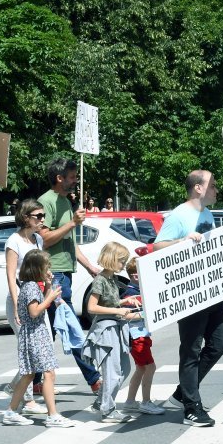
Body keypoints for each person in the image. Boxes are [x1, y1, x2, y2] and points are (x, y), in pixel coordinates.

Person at [154, 169, 223, 427]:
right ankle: (192, 407)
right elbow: (157, 246)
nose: (216, 189)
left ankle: (183, 392)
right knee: (190, 350)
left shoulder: (207, 213)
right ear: (198, 188)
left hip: (212, 292)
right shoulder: (179, 215)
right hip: (190, 294)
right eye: (212, 185)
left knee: (218, 345)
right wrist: (182, 240)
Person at [37, 158, 102, 395]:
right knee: (70, 325)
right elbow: (45, 238)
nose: (76, 181)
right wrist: (73, 223)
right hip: (53, 273)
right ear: (59, 178)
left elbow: (68, 241)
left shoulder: (65, 201)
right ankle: (94, 378)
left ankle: (32, 378)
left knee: (51, 329)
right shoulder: (47, 202)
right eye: (73, 177)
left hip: (65, 272)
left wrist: (89, 267)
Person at [1, 250, 76, 428]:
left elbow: (37, 304)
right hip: (35, 334)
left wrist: (48, 286)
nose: (49, 269)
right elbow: (34, 311)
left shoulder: (30, 285)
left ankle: (11, 411)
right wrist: (49, 297)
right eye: (46, 266)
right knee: (48, 373)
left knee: (29, 375)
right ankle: (52, 415)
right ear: (37, 268)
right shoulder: (31, 287)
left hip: (33, 333)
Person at [82, 241, 138, 423]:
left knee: (124, 368)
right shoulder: (100, 280)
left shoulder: (111, 279)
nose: (123, 264)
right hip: (105, 330)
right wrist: (117, 310)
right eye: (122, 261)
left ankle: (102, 402)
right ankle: (108, 410)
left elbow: (109, 302)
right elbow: (91, 307)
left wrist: (125, 302)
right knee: (113, 371)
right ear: (112, 259)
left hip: (115, 327)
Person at [2, 199, 48, 415]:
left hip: (37, 300)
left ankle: (14, 386)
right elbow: (11, 275)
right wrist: (18, 303)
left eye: (43, 216)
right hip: (20, 301)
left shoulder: (38, 239)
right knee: (29, 351)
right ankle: (28, 401)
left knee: (37, 349)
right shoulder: (14, 241)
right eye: (38, 216)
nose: (42, 220)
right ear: (26, 217)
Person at [121, 257, 165, 415]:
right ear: (136, 276)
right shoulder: (131, 295)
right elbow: (126, 316)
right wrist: (148, 314)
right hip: (137, 336)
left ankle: (130, 402)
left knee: (141, 368)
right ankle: (145, 402)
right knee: (149, 367)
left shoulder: (138, 291)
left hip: (141, 335)